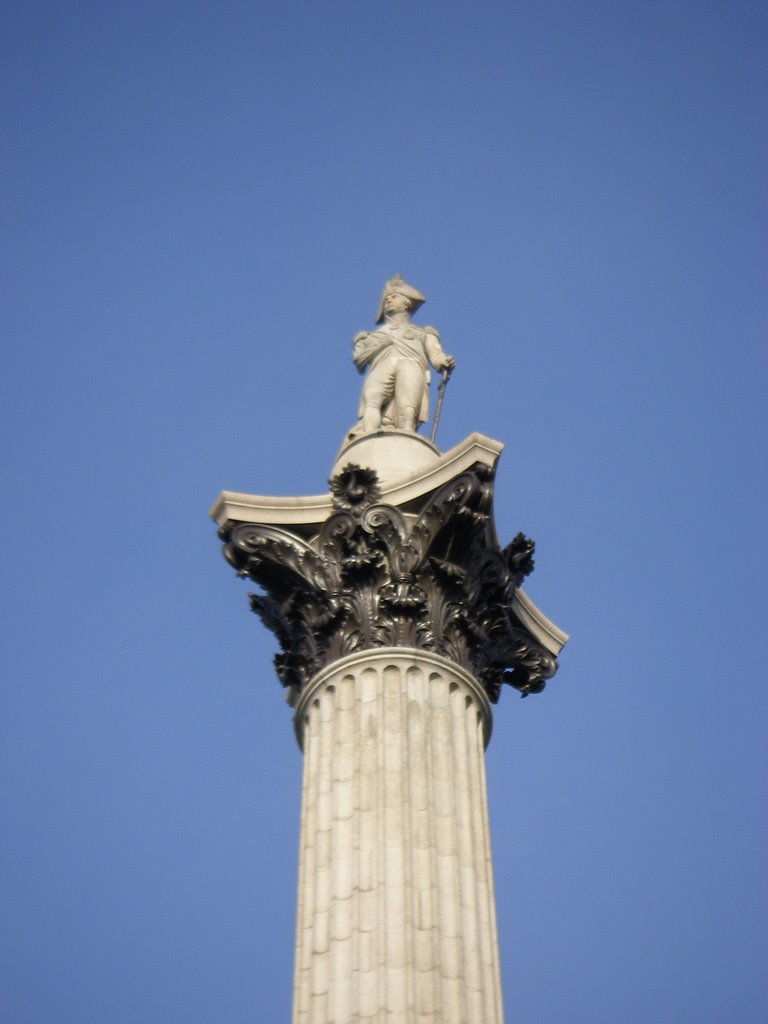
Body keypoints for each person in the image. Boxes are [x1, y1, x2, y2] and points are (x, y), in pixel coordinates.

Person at [349, 274, 455, 435]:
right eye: (386, 299)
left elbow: (435, 354)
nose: (388, 300)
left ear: (406, 303)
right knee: (373, 399)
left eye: (394, 297)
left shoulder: (422, 333)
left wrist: (442, 362)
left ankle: (407, 431)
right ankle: (369, 435)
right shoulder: (371, 336)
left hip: (410, 365)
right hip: (381, 367)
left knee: (407, 401)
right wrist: (380, 343)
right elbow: (359, 359)